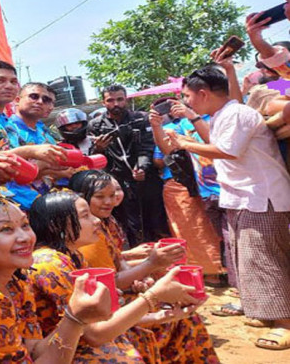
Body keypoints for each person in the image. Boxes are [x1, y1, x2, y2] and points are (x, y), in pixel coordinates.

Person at [167, 66, 290, 350]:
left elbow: (227, 150)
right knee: (247, 261)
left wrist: (187, 143)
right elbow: (218, 143)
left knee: (266, 261)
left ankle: (285, 323)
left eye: (187, 96)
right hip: (243, 197)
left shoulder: (237, 113)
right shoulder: (223, 114)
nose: (186, 102)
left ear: (203, 93)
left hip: (261, 198)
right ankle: (265, 313)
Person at [26, 190, 201, 363]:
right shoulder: (50, 264)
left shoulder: (74, 254)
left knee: (182, 321)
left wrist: (163, 315)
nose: (95, 221)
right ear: (56, 225)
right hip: (66, 350)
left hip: (89, 336)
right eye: (85, 216)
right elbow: (93, 333)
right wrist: (153, 295)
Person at [76, 171, 221, 363]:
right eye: (100, 197)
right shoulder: (88, 235)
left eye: (113, 194)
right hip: (108, 310)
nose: (109, 201)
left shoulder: (105, 222)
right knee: (181, 323)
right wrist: (150, 266)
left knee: (184, 319)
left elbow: (118, 264)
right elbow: (112, 283)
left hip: (118, 301)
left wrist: (146, 271)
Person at [0, 189, 112, 363]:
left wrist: (76, 318)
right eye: (5, 229)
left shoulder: (18, 284)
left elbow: (35, 351)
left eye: (25, 225)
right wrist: (74, 318)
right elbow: (94, 334)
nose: (24, 237)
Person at [149, 97, 225, 283]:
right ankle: (216, 271)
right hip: (201, 188)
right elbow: (166, 151)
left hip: (230, 185)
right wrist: (156, 127)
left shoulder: (220, 116)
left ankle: (225, 271)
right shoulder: (178, 126)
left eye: (185, 96)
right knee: (204, 230)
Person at [88, 84, 169, 246]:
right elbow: (94, 158)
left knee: (156, 220)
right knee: (127, 224)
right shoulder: (96, 125)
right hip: (118, 182)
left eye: (119, 99)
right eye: (110, 100)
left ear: (126, 99)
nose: (116, 104)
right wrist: (99, 148)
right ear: (103, 102)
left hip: (146, 178)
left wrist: (142, 167)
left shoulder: (140, 118)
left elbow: (147, 147)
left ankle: (162, 257)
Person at [0, 61, 66, 186]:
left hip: (20, 192)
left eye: (13, 82)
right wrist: (30, 151)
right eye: (0, 81)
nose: (9, 86)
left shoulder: (5, 121)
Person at [6, 82, 73, 209]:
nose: (40, 101)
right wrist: (44, 167)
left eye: (46, 99)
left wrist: (64, 172)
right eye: (34, 96)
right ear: (17, 100)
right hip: (22, 205)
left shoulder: (46, 134)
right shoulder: (5, 130)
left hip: (53, 204)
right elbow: (7, 173)